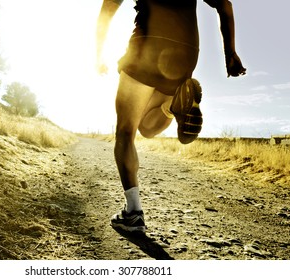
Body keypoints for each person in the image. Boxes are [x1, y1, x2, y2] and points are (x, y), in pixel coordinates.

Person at [96, 0, 246, 233]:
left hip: (147, 46)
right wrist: (230, 52)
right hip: (185, 53)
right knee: (147, 128)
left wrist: (98, 52)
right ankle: (170, 105)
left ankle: (133, 213)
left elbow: (109, 6)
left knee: (126, 132)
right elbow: (224, 5)